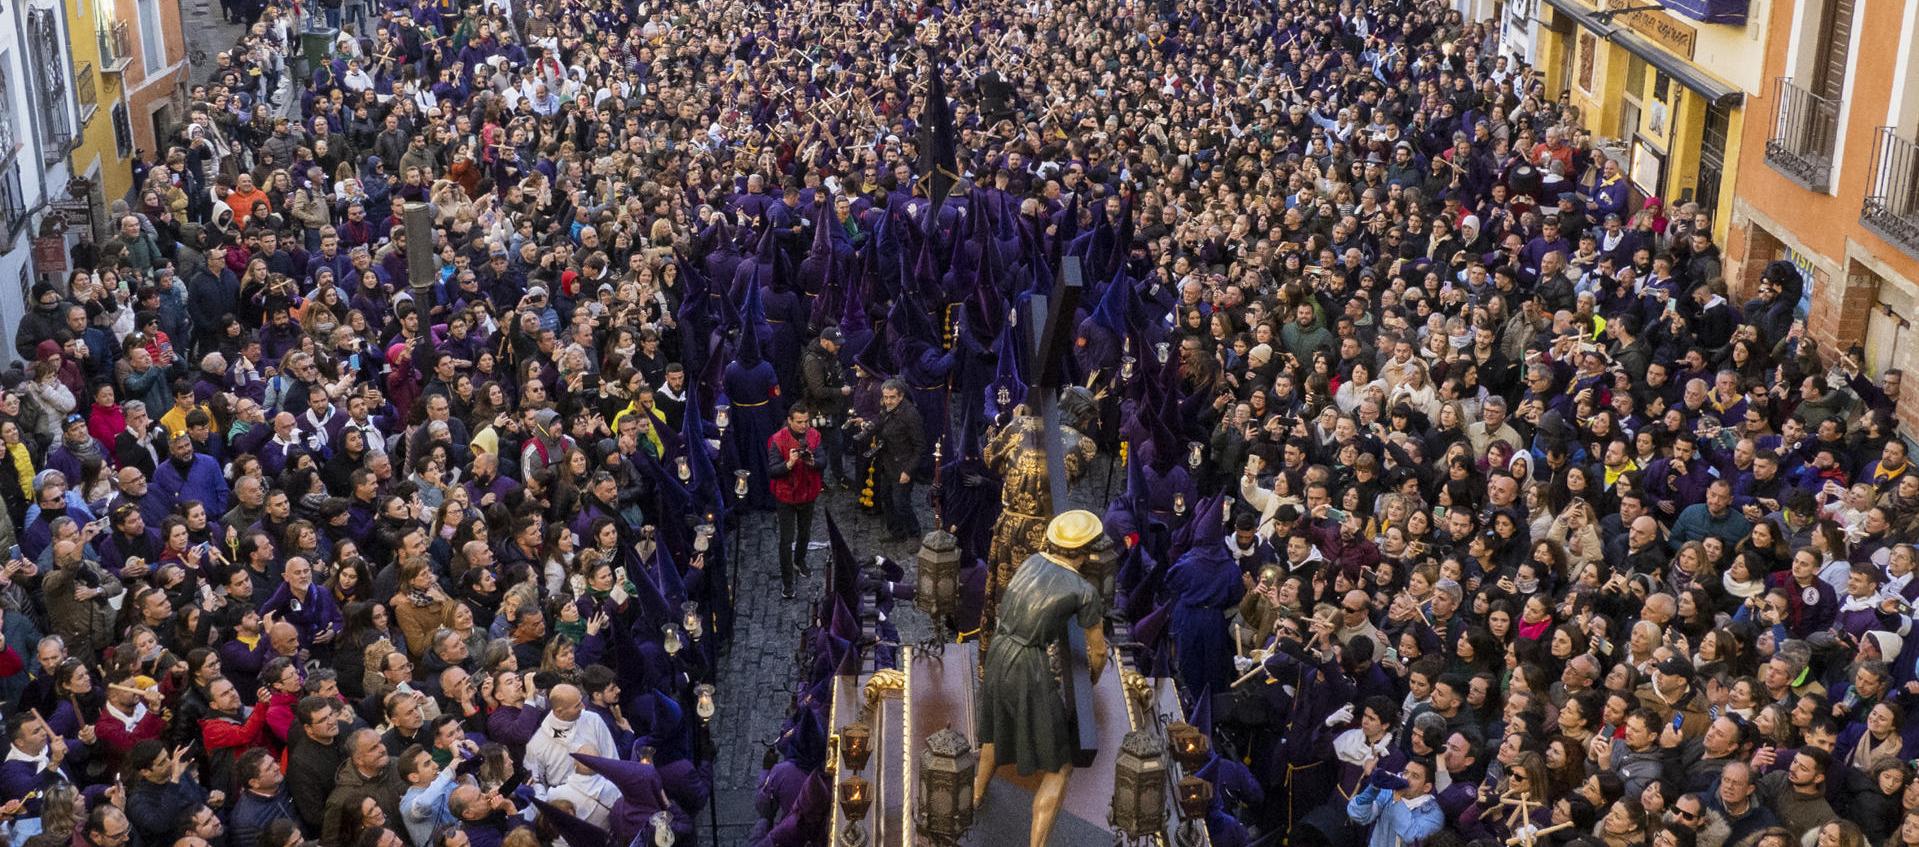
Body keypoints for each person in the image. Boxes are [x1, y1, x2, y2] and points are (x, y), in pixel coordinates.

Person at [973, 510, 1108, 847]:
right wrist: (1089, 679)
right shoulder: (1083, 590)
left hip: (999, 650)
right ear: (1087, 552)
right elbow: (1099, 653)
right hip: (1028, 665)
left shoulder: (1032, 561)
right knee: (1060, 765)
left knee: (994, 729)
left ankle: (975, 796)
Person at [766, 404, 823, 599]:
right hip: (786, 497)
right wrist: (788, 464)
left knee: (805, 532)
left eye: (806, 421)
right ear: (790, 421)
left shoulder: (814, 435)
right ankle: (787, 581)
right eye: (799, 422)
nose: (803, 426)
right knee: (786, 539)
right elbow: (773, 470)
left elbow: (823, 461)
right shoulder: (777, 440)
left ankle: (800, 560)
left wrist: (812, 461)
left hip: (808, 494)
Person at [862, 379, 925, 543]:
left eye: (892, 397)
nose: (888, 401)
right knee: (887, 499)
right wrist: (868, 426)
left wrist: (908, 471)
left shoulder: (911, 415)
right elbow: (881, 419)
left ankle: (914, 533)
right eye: (885, 397)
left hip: (903, 466)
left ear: (901, 396)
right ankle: (896, 532)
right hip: (888, 463)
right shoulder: (887, 407)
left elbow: (920, 447)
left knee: (901, 503)